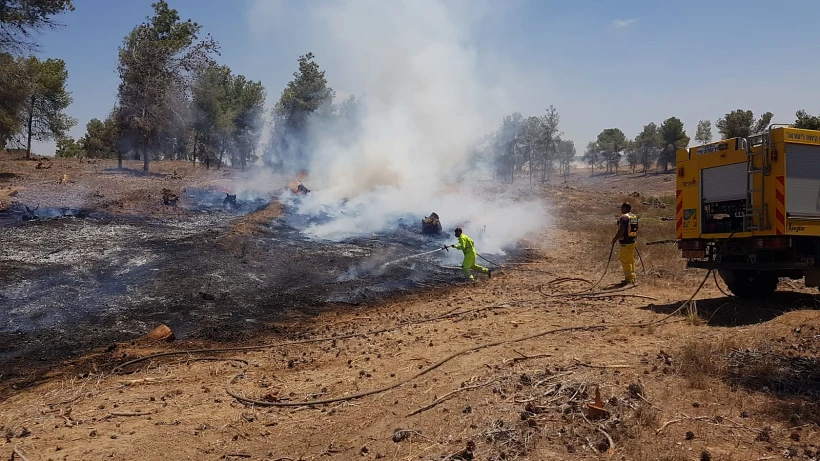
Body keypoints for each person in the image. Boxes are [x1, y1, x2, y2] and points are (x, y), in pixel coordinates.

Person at [611, 202, 639, 285]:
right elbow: (636, 228)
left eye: (622, 208)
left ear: (624, 208)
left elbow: (621, 230)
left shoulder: (624, 218)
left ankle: (629, 279)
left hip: (625, 243)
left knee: (625, 260)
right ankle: (632, 277)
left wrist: (615, 238)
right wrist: (632, 238)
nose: (621, 210)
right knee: (631, 260)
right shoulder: (633, 216)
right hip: (632, 242)